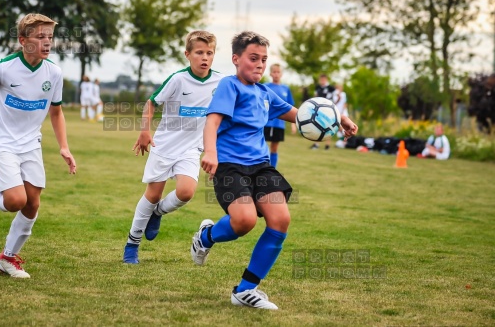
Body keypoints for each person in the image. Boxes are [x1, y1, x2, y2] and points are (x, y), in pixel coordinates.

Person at [194, 31, 358, 309]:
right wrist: (210, 152)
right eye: (253, 58)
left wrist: (338, 118)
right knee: (244, 222)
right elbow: (212, 122)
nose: (260, 64)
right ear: (236, 59)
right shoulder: (229, 87)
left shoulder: (265, 93)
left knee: (280, 219)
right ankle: (206, 237)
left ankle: (245, 289)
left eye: (264, 60)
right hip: (230, 167)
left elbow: (303, 114)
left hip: (261, 167)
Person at [0, 13, 77, 278]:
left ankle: (7, 259)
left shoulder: (53, 73)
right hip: (2, 141)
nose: (47, 43)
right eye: (40, 37)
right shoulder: (5, 67)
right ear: (22, 40)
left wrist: (64, 147)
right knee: (15, 201)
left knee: (32, 203)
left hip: (31, 143)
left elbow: (56, 112)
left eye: (50, 38)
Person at [123, 30, 223, 264]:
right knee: (153, 194)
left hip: (191, 149)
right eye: (199, 52)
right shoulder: (178, 79)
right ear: (187, 54)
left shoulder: (220, 81)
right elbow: (151, 103)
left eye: (209, 53)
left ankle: (158, 213)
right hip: (164, 146)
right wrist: (145, 131)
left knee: (186, 192)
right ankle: (132, 245)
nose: (204, 57)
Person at [263, 64, 295, 168]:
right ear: (270, 73)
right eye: (274, 72)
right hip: (266, 122)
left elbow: (291, 107)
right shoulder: (266, 86)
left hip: (279, 124)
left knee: (274, 147)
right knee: (262, 146)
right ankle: (261, 167)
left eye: (278, 72)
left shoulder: (286, 89)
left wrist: (294, 124)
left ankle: (273, 169)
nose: (276, 74)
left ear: (281, 74)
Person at [311, 73, 336, 150]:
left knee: (328, 126)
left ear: (326, 79)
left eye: (323, 79)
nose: (322, 81)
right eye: (321, 79)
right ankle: (316, 144)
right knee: (317, 125)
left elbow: (336, 97)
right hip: (319, 109)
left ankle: (327, 145)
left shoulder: (331, 88)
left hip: (328, 109)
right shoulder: (318, 87)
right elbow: (315, 96)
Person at [333, 83, 349, 147]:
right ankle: (342, 140)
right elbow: (335, 103)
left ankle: (345, 140)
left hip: (343, 113)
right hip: (337, 112)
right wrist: (338, 97)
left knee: (344, 126)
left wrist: (343, 111)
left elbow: (345, 103)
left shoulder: (343, 94)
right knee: (338, 127)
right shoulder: (334, 94)